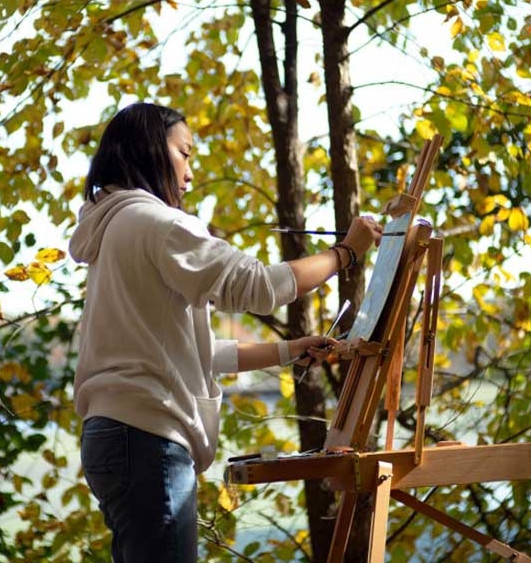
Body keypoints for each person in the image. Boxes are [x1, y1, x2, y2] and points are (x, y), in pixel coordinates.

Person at [68, 102, 383, 563]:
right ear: (152, 149)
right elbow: (257, 286)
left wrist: (288, 349)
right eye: (185, 153)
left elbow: (191, 352)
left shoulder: (114, 229)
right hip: (146, 439)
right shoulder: (156, 224)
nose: (190, 172)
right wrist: (346, 254)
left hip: (116, 436)